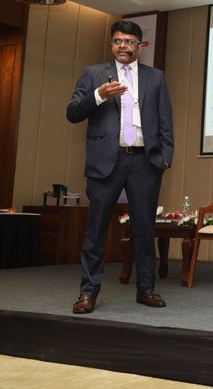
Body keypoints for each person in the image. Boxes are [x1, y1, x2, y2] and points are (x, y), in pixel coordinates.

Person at [66, 20, 174, 314]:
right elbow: (72, 113)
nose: (122, 46)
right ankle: (87, 292)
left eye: (128, 41)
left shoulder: (156, 78)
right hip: (105, 162)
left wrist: (164, 157)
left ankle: (146, 289)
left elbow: (165, 120)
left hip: (145, 162)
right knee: (96, 230)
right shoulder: (93, 74)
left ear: (140, 46)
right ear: (112, 44)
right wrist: (99, 95)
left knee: (144, 230)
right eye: (117, 41)